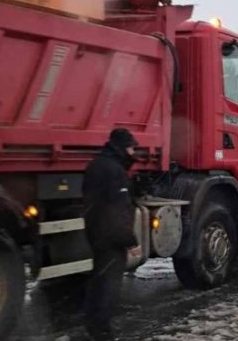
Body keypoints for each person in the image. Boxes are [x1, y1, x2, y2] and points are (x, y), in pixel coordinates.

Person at [82, 128, 142, 339]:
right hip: (111, 238)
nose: (133, 152)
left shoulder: (96, 165)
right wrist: (131, 241)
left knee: (98, 279)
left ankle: (93, 325)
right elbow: (118, 211)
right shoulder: (115, 171)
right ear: (122, 147)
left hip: (95, 232)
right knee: (109, 285)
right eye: (131, 147)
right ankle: (102, 332)